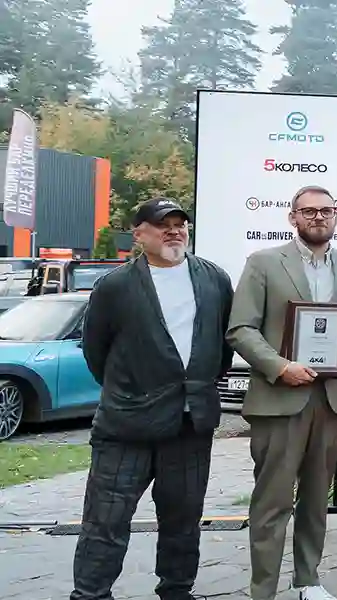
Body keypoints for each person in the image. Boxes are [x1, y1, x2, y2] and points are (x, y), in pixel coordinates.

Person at [72, 198, 235, 600]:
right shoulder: (116, 286)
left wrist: (198, 386)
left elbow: (223, 345)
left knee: (184, 518)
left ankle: (177, 591)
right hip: (126, 426)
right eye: (163, 224)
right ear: (139, 234)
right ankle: (91, 594)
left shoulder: (214, 279)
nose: (174, 231)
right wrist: (130, 391)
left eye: (181, 224)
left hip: (190, 422)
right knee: (106, 519)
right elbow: (95, 349)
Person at [227, 186, 337, 600]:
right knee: (272, 501)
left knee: (316, 497)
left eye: (326, 210)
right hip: (280, 398)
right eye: (308, 211)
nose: (318, 217)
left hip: (333, 398)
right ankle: (263, 591)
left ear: (336, 215)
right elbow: (241, 329)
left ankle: (308, 580)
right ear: (292, 217)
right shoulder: (263, 262)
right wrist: (279, 367)